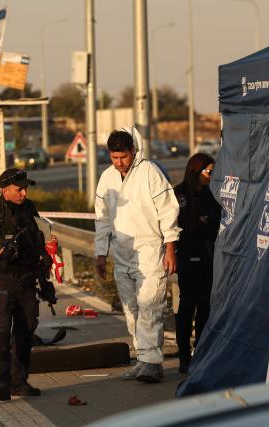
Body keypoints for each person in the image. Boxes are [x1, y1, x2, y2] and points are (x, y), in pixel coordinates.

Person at [94, 129, 180, 383]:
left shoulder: (149, 172)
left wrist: (170, 246)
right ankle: (143, 357)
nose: (119, 162)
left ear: (133, 151)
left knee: (150, 304)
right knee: (131, 308)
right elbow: (102, 218)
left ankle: (153, 362)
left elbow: (168, 209)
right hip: (121, 251)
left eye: (123, 156)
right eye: (114, 157)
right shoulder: (107, 178)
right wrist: (101, 252)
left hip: (150, 249)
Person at [0, 168, 56, 401]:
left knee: (25, 334)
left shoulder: (28, 208)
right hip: (1, 282)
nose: (24, 193)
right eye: (19, 189)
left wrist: (46, 253)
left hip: (27, 281)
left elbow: (40, 237)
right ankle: (2, 385)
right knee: (0, 335)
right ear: (4, 190)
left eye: (26, 188)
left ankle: (20, 382)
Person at [173, 153, 220, 373]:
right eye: (209, 172)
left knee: (205, 307)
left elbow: (214, 221)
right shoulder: (180, 194)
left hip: (209, 258)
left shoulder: (212, 194)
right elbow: (184, 225)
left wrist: (204, 221)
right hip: (188, 257)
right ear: (196, 171)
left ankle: (200, 351)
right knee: (187, 306)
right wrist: (201, 222)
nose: (212, 176)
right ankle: (184, 355)